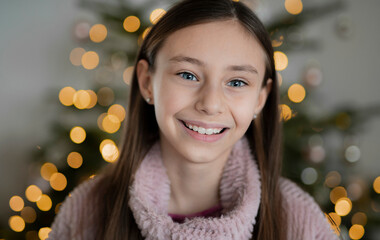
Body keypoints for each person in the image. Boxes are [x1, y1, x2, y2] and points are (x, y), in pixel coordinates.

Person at [48, 0, 339, 239]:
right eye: (188, 75)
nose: (210, 104)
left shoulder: (299, 220)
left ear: (261, 98)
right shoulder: (85, 209)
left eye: (237, 82)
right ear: (147, 81)